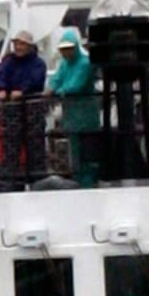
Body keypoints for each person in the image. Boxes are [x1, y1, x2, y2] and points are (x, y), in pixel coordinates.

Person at [0, 31, 48, 185]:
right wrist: (1, 89)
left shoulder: (38, 63)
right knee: (10, 143)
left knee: (35, 144)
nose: (18, 47)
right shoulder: (8, 61)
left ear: (29, 46)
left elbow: (36, 79)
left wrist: (22, 91)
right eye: (17, 44)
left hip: (32, 110)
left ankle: (37, 177)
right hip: (12, 111)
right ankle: (11, 177)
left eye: (22, 44)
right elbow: (0, 76)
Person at [48, 28, 101, 186]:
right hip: (71, 117)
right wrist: (51, 87)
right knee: (75, 152)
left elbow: (76, 85)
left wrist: (57, 92)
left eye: (68, 48)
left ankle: (89, 181)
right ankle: (79, 180)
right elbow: (56, 79)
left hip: (87, 117)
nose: (65, 52)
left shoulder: (85, 63)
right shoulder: (64, 64)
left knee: (88, 152)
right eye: (63, 49)